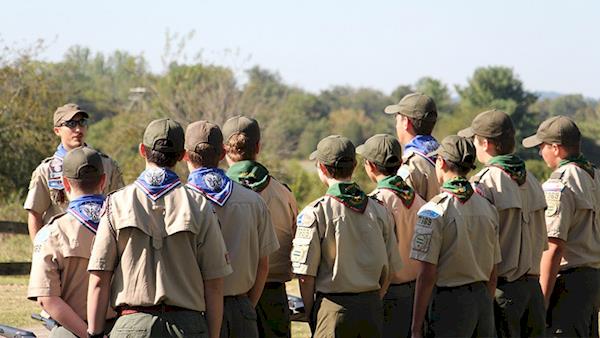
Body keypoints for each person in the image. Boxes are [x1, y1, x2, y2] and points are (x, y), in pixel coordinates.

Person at [87, 118, 232, 338]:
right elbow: (214, 284)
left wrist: (95, 333)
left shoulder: (116, 202)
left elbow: (99, 278)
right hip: (187, 327)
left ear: (142, 150)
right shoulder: (201, 204)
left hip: (131, 326)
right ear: (182, 155)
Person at [291, 135, 401, 338]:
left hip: (333, 310)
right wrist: (374, 298)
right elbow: (391, 267)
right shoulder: (379, 210)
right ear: (355, 165)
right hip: (371, 307)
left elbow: (305, 276)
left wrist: (312, 314)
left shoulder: (316, 212)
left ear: (322, 169)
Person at [183, 120, 280, 338]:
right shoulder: (253, 200)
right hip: (239, 306)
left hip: (192, 310)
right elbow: (263, 266)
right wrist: (246, 306)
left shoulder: (178, 202)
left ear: (185, 155)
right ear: (222, 153)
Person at [458, 110, 547, 337]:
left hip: (502, 289)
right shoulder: (533, 180)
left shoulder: (484, 182)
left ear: (486, 143)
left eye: (475, 140)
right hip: (532, 289)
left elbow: (478, 242)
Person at [410, 135, 501, 338]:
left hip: (450, 304)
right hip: (482, 301)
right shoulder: (487, 207)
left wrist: (416, 325)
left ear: (440, 162)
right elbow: (493, 272)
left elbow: (426, 273)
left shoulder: (434, 210)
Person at [522, 115, 600, 337]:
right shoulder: (595, 175)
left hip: (567, 283)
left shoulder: (559, 184)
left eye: (542, 146)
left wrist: (542, 301)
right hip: (592, 278)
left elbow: (553, 246)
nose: (540, 152)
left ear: (556, 148)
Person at [222, 115, 299, 338]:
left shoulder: (214, 195)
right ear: (258, 146)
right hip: (273, 297)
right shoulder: (283, 193)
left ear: (225, 149)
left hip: (228, 296)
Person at [27, 147, 115, 338]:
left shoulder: (51, 233)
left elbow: (46, 298)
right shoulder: (125, 225)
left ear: (65, 183)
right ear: (103, 180)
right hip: (122, 328)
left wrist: (90, 335)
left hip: (72, 331)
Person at [356, 134, 426, 338]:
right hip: (419, 291)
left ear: (369, 165)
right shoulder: (420, 200)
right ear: (401, 162)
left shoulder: (375, 204)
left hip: (389, 294)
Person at [24, 103, 124, 241]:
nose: (78, 129)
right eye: (71, 124)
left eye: (82, 122)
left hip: (100, 246)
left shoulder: (106, 164)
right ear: (57, 130)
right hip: (61, 248)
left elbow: (120, 209)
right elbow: (35, 214)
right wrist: (39, 252)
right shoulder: (47, 170)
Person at [384, 93, 440, 201]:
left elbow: (405, 212)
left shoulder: (411, 164)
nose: (396, 125)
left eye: (397, 119)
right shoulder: (446, 155)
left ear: (405, 122)